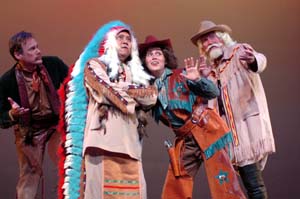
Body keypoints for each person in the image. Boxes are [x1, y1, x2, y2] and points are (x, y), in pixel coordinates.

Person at [57, 21, 157, 199]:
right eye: (120, 38)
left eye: (129, 38)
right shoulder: (94, 65)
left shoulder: (137, 73)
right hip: (102, 144)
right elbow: (104, 90)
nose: (125, 41)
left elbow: (150, 96)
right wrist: (132, 95)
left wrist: (120, 86)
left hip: (131, 146)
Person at [139, 35, 246, 199]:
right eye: (149, 54)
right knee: (175, 186)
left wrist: (197, 80)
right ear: (144, 61)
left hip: (207, 129)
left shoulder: (182, 74)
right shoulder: (148, 90)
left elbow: (213, 92)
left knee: (223, 182)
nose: (154, 57)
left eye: (158, 53)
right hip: (185, 139)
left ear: (165, 58)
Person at [190, 20, 276, 199]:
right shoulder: (213, 70)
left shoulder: (239, 52)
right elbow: (213, 102)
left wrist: (253, 61)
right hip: (228, 136)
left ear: (222, 38)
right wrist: (205, 80)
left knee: (254, 185)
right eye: (204, 41)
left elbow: (261, 60)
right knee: (234, 188)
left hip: (246, 130)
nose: (208, 43)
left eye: (211, 37)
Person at [0, 31, 68, 199]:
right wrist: (12, 114)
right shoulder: (7, 81)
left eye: (37, 47)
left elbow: (73, 86)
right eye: (32, 49)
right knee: (29, 177)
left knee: (69, 166)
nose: (38, 51)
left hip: (54, 126)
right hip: (29, 131)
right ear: (18, 54)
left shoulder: (53, 65)